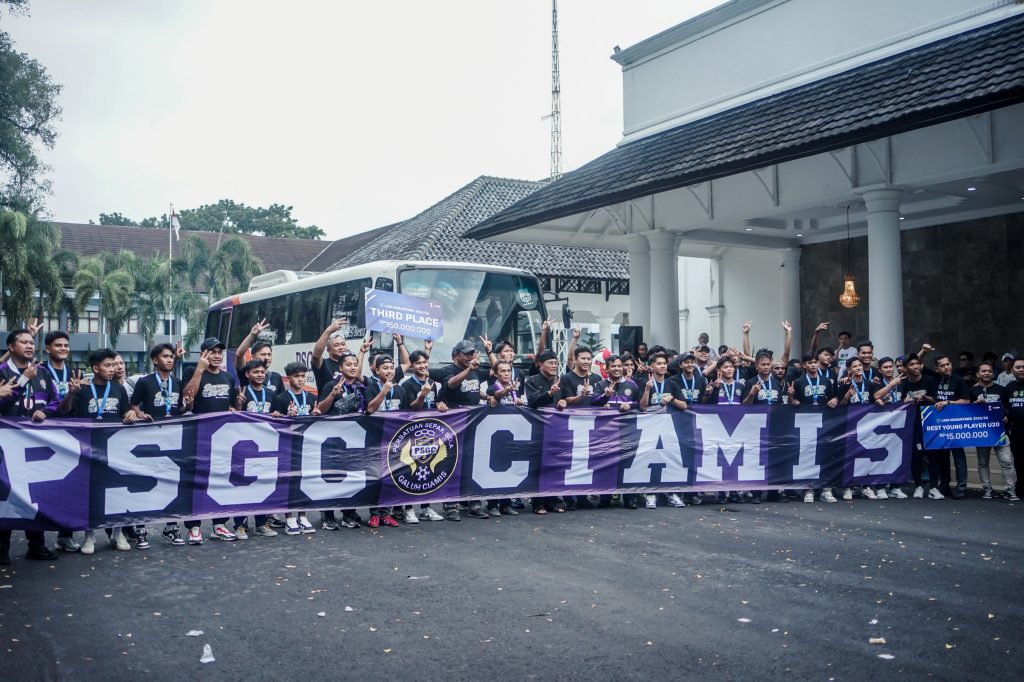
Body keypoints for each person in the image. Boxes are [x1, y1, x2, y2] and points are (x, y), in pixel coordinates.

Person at [60, 348, 142, 553]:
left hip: (114, 450)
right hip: (87, 451)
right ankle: (89, 535)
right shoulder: (83, 389)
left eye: (114, 365)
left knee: (116, 492)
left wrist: (131, 414)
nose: (112, 369)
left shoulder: (118, 389)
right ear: (96, 368)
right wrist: (71, 393)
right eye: (108, 365)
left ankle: (117, 533)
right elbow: (63, 411)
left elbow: (126, 411)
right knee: (91, 494)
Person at [0, 329, 61, 564]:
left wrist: (45, 411)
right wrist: (24, 379)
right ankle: (2, 548)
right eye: (23, 342)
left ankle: (36, 545)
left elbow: (55, 400)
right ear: (11, 347)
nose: (29, 346)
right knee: (5, 494)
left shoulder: (42, 372)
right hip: (6, 445)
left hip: (34, 444)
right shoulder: (2, 371)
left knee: (34, 493)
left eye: (31, 342)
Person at [181, 338, 239, 543]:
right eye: (212, 352)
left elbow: (232, 406)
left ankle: (219, 524)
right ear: (203, 354)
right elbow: (186, 399)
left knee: (221, 480)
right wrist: (199, 370)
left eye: (219, 352)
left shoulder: (228, 377)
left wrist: (235, 408)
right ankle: (194, 526)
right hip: (198, 437)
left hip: (222, 440)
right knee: (197, 482)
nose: (216, 356)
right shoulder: (192, 371)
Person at [130, 343, 188, 545]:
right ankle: (140, 528)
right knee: (145, 483)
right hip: (149, 440)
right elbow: (133, 404)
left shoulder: (177, 382)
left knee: (171, 484)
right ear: (155, 360)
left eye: (171, 356)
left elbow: (178, 409)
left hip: (172, 440)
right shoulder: (145, 382)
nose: (170, 359)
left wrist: (187, 406)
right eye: (165, 356)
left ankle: (171, 527)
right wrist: (139, 414)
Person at [316, 352, 369, 529]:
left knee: (351, 477)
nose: (353, 367)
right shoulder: (332, 385)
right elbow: (319, 410)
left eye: (355, 364)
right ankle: (328, 514)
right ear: (340, 368)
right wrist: (332, 395)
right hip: (333, 440)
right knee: (332, 477)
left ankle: (348, 513)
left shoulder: (361, 387)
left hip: (354, 440)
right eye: (348, 364)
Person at [436, 340, 488, 521]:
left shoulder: (476, 369)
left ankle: (473, 502)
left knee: (473, 463)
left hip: (473, 422)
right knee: (452, 463)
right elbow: (451, 384)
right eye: (465, 353)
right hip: (453, 425)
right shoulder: (449, 370)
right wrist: (469, 369)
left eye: (471, 353)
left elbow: (496, 371)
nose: (469, 356)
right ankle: (451, 504)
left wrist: (489, 352)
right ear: (456, 355)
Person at [398, 350, 447, 522]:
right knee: (410, 470)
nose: (422, 365)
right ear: (412, 365)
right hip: (412, 434)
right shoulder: (407, 385)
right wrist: (422, 395)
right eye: (418, 363)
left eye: (425, 362)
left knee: (428, 469)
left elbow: (437, 403)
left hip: (430, 433)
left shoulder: (433, 383)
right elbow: (412, 407)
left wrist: (441, 405)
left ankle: (426, 507)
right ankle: (408, 508)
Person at [364, 355, 406, 529]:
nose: (389, 371)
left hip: (394, 441)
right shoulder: (370, 387)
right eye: (385, 368)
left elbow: (407, 414)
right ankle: (374, 514)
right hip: (375, 440)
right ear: (376, 370)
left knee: (391, 478)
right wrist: (383, 392)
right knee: (376, 478)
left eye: (391, 368)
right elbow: (369, 409)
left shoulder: (400, 390)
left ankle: (386, 513)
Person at [525, 350, 566, 514]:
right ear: (540, 365)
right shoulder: (532, 381)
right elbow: (532, 401)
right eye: (550, 363)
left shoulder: (559, 380)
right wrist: (549, 394)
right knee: (538, 466)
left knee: (555, 464)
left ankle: (553, 499)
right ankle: (538, 502)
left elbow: (565, 399)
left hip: (556, 429)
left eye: (556, 363)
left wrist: (563, 401)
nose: (554, 366)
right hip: (538, 429)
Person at [970, 362, 1018, 500]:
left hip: (1000, 431)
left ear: (993, 374)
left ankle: (1009, 489)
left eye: (989, 371)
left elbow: (1008, 407)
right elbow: (966, 411)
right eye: (983, 371)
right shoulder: (972, 391)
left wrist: (1006, 415)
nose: (987, 373)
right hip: (981, 432)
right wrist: (974, 404)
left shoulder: (1002, 390)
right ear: (978, 374)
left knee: (1007, 461)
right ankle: (987, 489)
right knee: (982, 462)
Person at [898, 355, 943, 500]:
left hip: (930, 423)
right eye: (912, 364)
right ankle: (918, 486)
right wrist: (905, 401)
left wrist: (924, 397)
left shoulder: (930, 380)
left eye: (917, 363)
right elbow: (899, 402)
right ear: (906, 368)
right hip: (912, 424)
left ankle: (934, 487)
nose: (916, 367)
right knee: (915, 456)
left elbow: (935, 400)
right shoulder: (904, 383)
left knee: (933, 455)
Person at [933, 355, 971, 499]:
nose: (946, 367)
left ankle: (961, 488)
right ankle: (945, 486)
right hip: (939, 424)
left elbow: (966, 401)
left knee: (959, 457)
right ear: (937, 368)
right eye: (942, 365)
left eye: (948, 364)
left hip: (956, 423)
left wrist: (948, 402)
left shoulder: (958, 380)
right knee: (942, 457)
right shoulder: (935, 379)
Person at [1005, 358, 1024, 483]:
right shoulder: (1009, 387)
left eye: (1023, 367)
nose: (1021, 369)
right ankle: (1021, 487)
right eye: (1018, 367)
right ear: (1012, 370)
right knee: (1019, 460)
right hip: (1016, 431)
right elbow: (1005, 406)